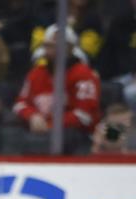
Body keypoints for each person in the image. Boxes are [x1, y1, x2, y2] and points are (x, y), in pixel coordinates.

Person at [14, 24, 101, 154]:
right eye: (49, 46)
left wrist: (50, 125)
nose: (52, 50)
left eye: (58, 46)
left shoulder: (84, 75)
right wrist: (32, 116)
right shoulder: (36, 73)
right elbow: (20, 104)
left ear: (70, 48)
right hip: (38, 133)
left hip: (75, 138)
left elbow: (84, 116)